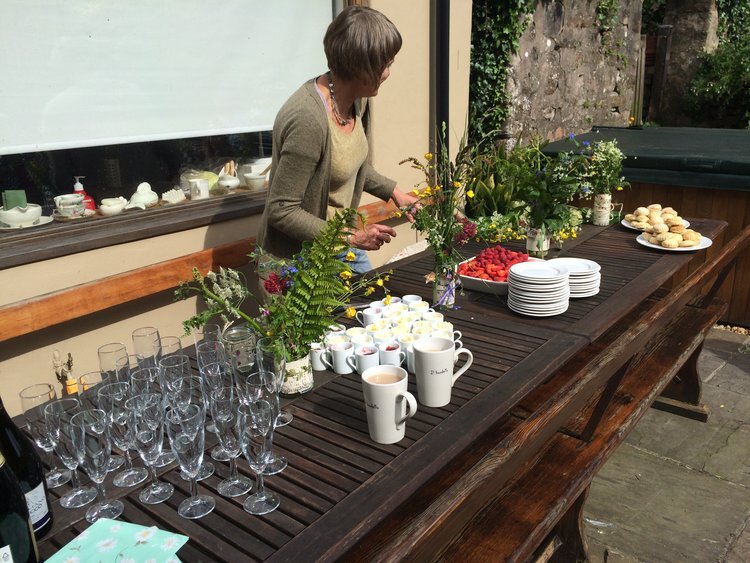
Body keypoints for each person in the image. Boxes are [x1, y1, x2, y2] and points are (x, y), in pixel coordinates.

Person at [255, 5, 418, 276]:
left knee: (375, 308)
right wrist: (352, 238)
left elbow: (351, 165)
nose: (389, 72)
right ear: (362, 69)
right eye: (386, 63)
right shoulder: (307, 120)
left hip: (340, 244)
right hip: (298, 265)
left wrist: (396, 194)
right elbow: (281, 210)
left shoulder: (358, 100)